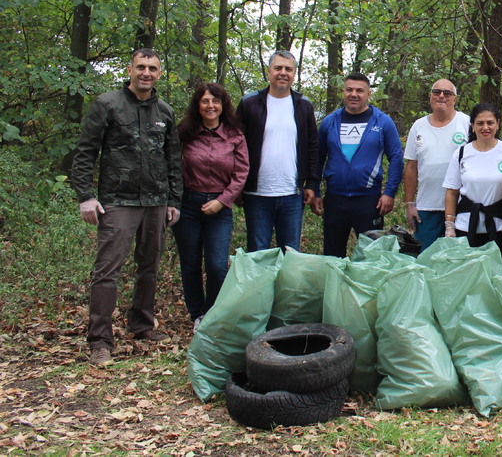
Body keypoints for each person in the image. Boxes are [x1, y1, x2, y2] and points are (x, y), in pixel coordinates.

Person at [71, 49, 182, 367]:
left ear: (160, 73)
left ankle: (142, 325)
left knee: (149, 267)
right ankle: (100, 341)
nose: (146, 73)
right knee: (107, 271)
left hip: (156, 202)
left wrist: (173, 201)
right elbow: (85, 151)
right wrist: (85, 196)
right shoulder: (108, 104)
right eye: (141, 67)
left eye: (153, 68)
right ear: (130, 69)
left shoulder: (165, 111)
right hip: (117, 201)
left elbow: (173, 159)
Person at [173, 83, 249, 331]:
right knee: (191, 263)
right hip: (188, 206)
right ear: (198, 105)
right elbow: (172, 167)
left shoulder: (235, 135)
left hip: (220, 206)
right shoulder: (185, 133)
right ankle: (197, 314)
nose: (210, 106)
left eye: (215, 101)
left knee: (217, 265)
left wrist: (222, 201)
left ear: (223, 105)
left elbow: (241, 172)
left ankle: (213, 312)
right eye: (205, 101)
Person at [235, 50, 319, 252]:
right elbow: (235, 146)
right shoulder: (249, 103)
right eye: (278, 68)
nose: (283, 73)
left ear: (294, 73)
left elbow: (313, 146)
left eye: (288, 69)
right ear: (269, 71)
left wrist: (313, 183)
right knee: (258, 252)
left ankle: (287, 286)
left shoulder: (304, 106)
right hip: (256, 193)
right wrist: (236, 185)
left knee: (290, 254)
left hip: (292, 193)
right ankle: (260, 285)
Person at [315, 73, 404, 257]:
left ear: (368, 94)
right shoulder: (330, 122)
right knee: (332, 254)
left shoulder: (382, 121)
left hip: (369, 200)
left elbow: (396, 157)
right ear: (343, 92)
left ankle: (368, 286)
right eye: (349, 90)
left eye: (359, 90)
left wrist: (389, 193)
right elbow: (317, 158)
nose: (354, 94)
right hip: (335, 199)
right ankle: (335, 285)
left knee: (371, 255)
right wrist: (315, 191)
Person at [443, 103, 502, 269]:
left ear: (498, 123)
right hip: (466, 228)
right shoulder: (461, 153)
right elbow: (452, 192)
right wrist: (449, 226)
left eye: (490, 123)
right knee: (467, 280)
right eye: (480, 123)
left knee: (497, 277)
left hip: (500, 228)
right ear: (472, 126)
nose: (485, 128)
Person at [403, 79, 470, 252]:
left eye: (447, 93)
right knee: (425, 260)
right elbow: (411, 167)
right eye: (436, 92)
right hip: (427, 207)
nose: (441, 96)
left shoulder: (467, 123)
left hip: (462, 207)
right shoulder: (418, 126)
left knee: (457, 261)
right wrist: (410, 204)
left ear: (454, 99)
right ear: (430, 97)